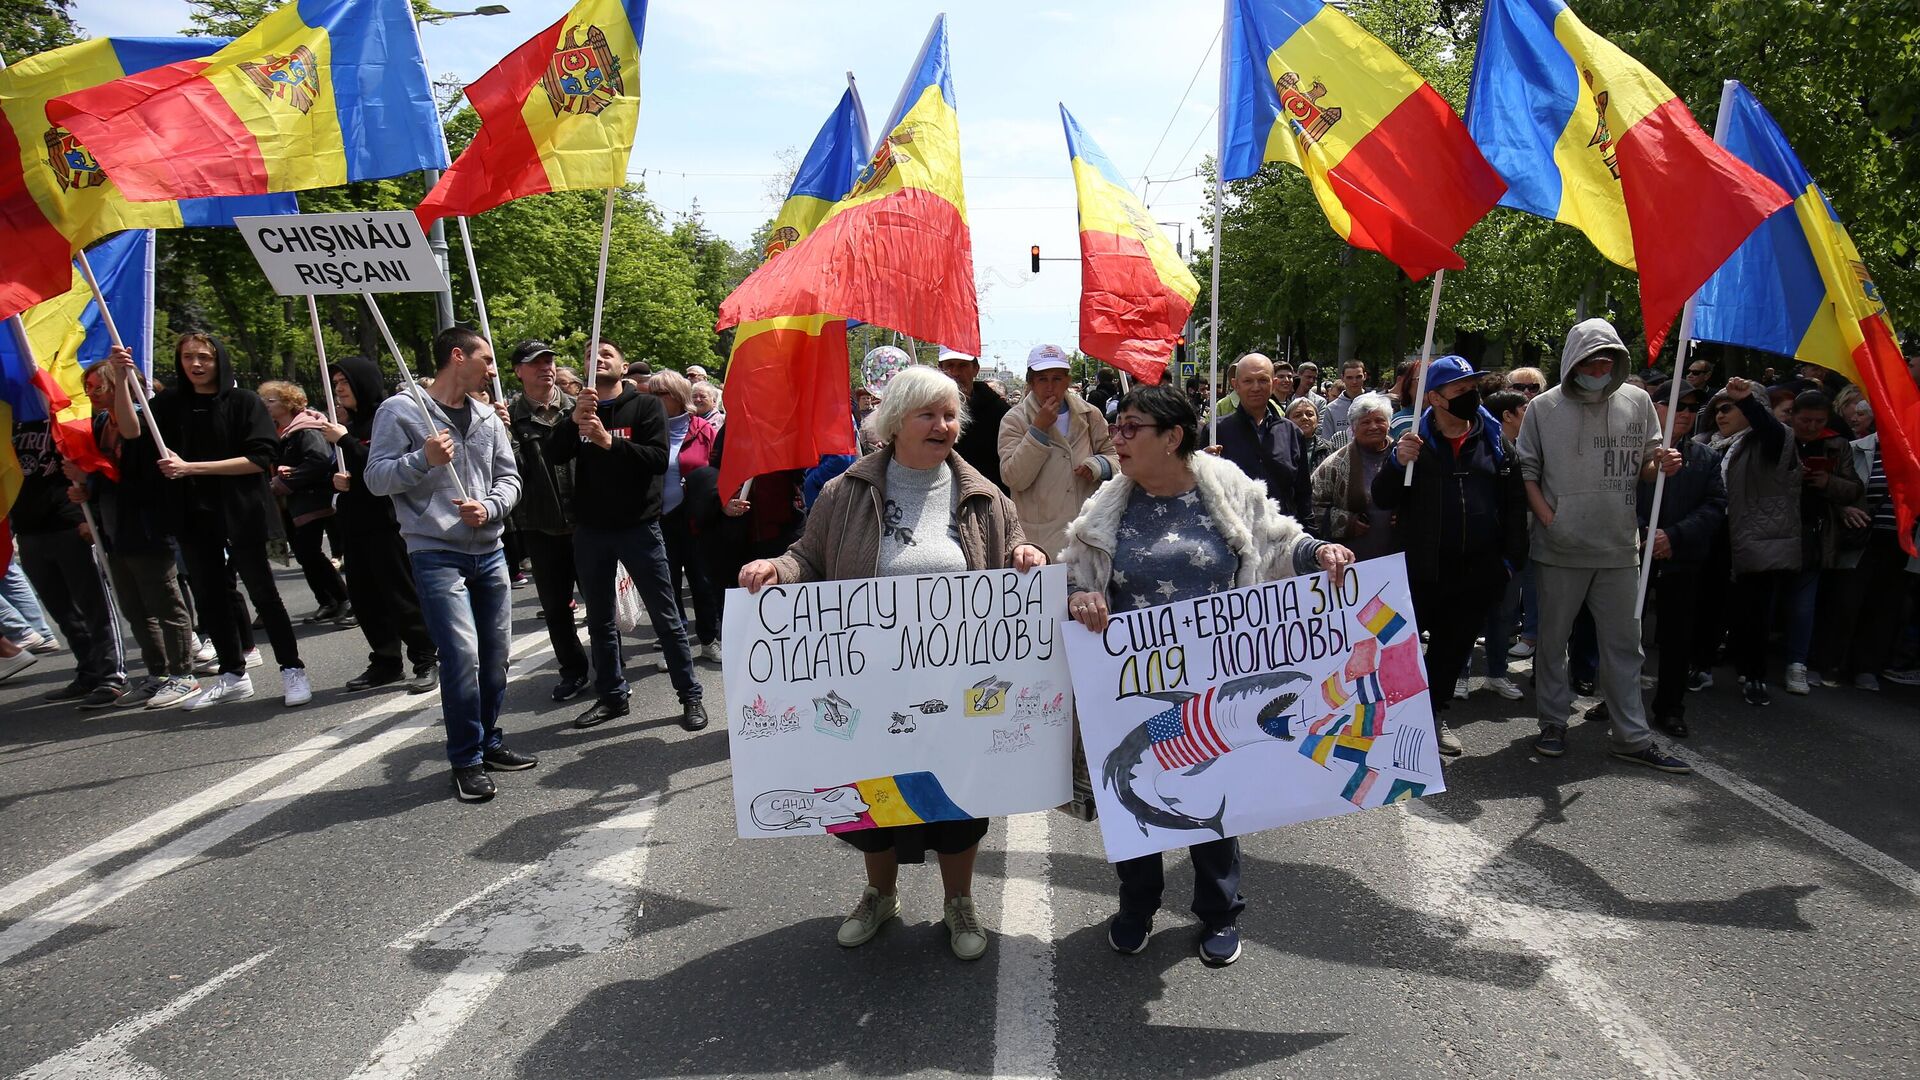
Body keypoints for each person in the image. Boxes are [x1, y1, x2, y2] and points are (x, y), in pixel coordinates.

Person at [739, 366, 1046, 962]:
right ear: (896, 421)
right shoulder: (846, 492)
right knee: (872, 797)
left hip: (957, 685)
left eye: (951, 414)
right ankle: (879, 895)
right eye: (928, 414)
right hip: (869, 685)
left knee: (958, 799)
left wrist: (1026, 553)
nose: (943, 426)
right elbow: (809, 555)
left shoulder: (983, 494)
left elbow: (1012, 553)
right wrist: (777, 569)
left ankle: (959, 902)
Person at [1063, 382, 1354, 967]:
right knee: (1137, 795)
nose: (1116, 439)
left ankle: (1220, 912)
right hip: (1136, 685)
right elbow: (1076, 573)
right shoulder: (1105, 507)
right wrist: (1079, 598)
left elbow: (1279, 542)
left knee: (1214, 795)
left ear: (1173, 437)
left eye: (1130, 429)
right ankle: (1137, 905)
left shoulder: (1228, 490)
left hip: (1219, 678)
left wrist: (1318, 554)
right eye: (1116, 427)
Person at [366, 327, 535, 803]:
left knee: (497, 657)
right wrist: (422, 459)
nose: (494, 368)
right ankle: (465, 759)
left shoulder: (487, 415)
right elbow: (376, 478)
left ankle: (487, 740)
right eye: (486, 358)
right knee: (462, 657)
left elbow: (509, 478)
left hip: (491, 549)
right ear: (457, 356)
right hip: (436, 552)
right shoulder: (400, 411)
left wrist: (492, 507)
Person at [1516, 319, 1690, 773]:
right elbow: (1527, 472)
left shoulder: (1638, 402)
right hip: (1559, 548)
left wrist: (1662, 460)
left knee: (1626, 645)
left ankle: (1630, 736)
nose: (1599, 367)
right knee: (1553, 642)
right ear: (1573, 360)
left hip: (1618, 547)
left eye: (1607, 360)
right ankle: (1553, 722)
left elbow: (1647, 466)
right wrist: (1550, 519)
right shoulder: (1543, 408)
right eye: (1591, 360)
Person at [142, 332, 307, 709]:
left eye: (204, 357)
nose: (196, 364)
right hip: (193, 514)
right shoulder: (168, 405)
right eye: (188, 357)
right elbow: (137, 435)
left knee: (263, 592)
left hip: (240, 510)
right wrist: (121, 380)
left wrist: (191, 468)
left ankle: (292, 669)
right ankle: (233, 674)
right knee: (210, 596)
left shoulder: (244, 402)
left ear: (220, 360)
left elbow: (259, 458)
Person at [550, 340, 708, 733]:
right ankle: (612, 697)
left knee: (666, 617)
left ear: (622, 368)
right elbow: (553, 455)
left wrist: (608, 441)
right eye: (589, 355)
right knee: (601, 620)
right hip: (591, 530)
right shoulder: (578, 410)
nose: (597, 358)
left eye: (606, 354)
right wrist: (574, 424)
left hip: (639, 527)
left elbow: (655, 459)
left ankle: (690, 695)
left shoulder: (645, 405)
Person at [1374, 358, 1530, 753]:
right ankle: (1384, 723)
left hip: (1475, 574)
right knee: (1399, 653)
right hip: (1422, 571)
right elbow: (1382, 496)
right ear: (1435, 398)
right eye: (1460, 390)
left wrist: (1509, 562)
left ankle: (1431, 719)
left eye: (1473, 387)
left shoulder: (1494, 443)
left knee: (1450, 654)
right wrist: (1396, 462)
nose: (1471, 396)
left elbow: (1513, 505)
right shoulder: (1413, 442)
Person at [64, 358, 198, 708]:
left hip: (147, 528)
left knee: (165, 603)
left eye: (99, 386)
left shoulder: (142, 416)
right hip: (115, 531)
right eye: (88, 387)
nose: (91, 393)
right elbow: (104, 475)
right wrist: (84, 489)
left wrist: (122, 378)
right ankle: (157, 674)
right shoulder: (99, 423)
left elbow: (131, 433)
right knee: (135, 609)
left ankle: (183, 674)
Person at [323, 355, 439, 695]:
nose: (340, 389)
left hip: (387, 522)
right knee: (364, 597)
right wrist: (337, 480)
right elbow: (350, 470)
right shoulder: (347, 423)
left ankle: (425, 657)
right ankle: (386, 661)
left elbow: (379, 466)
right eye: (336, 385)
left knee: (400, 593)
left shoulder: (386, 419)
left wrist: (344, 440)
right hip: (355, 522)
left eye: (344, 382)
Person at [1632, 380, 1725, 738]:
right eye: (1676, 405)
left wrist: (1674, 535)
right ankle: (1618, 701)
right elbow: (1620, 497)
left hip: (1682, 559)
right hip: (1636, 554)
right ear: (1655, 407)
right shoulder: (1637, 453)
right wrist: (1645, 532)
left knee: (1677, 639)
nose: (1685, 413)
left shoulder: (1706, 457)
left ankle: (1670, 708)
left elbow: (1715, 505)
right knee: (1626, 634)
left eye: (1691, 407)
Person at [503, 340, 591, 702]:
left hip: (588, 524)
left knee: (601, 606)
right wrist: (503, 433)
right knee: (556, 609)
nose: (546, 367)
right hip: (541, 526)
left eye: (550, 361)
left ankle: (611, 669)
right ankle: (573, 671)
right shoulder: (509, 417)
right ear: (518, 372)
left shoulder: (581, 407)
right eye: (535, 362)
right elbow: (507, 471)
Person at [1703, 378, 1801, 705]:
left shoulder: (1773, 441)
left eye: (1728, 408)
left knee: (1754, 611)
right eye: (1717, 409)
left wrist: (1746, 401)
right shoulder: (1707, 443)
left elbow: (1772, 430)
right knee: (1710, 604)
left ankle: (1754, 674)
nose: (1721, 415)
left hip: (1757, 539)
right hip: (1716, 534)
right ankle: (1700, 666)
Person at [1816, 401, 1917, 689]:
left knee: (1885, 607)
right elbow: (1836, 487)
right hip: (1859, 537)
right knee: (1844, 601)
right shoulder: (1857, 447)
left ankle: (1866, 667)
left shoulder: (1915, 454)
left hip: (1900, 543)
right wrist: (1843, 509)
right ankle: (1828, 662)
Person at [998, 343, 1117, 559]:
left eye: (1057, 378)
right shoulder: (1014, 420)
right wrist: (1038, 429)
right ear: (1031, 383)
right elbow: (1013, 477)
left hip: (1088, 538)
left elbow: (1117, 458)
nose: (1050, 387)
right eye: (1042, 379)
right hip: (1040, 544)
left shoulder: (1090, 415)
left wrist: (1100, 466)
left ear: (1067, 381)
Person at [1781, 390, 1864, 694]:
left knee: (1804, 604)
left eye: (1819, 421)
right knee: (1767, 597)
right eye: (1806, 420)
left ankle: (1797, 663)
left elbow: (1854, 488)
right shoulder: (1781, 438)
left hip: (1814, 533)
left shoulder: (1836, 445)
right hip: (1776, 531)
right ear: (1793, 416)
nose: (1812, 427)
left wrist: (1828, 483)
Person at [259, 380, 354, 627]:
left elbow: (320, 460)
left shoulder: (306, 429)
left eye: (271, 401)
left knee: (309, 552)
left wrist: (286, 480)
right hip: (290, 504)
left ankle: (342, 598)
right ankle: (327, 601)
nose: (266, 406)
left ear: (289, 403)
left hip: (312, 500)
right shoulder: (277, 431)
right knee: (304, 554)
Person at [648, 369, 722, 663]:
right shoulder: (647, 430)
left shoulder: (704, 430)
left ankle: (708, 639)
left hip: (696, 520)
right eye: (650, 394)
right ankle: (674, 645)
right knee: (666, 586)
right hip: (658, 519)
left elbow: (719, 472)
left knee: (702, 582)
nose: (653, 400)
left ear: (679, 397)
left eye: (661, 393)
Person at [1212, 353, 1314, 521]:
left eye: (1262, 380)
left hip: (1282, 534)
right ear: (1235, 385)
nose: (1256, 387)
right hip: (1233, 534)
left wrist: (1311, 538)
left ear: (1273, 384)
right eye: (1248, 381)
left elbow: (1303, 495)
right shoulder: (1217, 432)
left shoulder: (1291, 433)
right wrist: (1204, 465)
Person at [1311, 392, 1397, 560]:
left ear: (1388, 423)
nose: (1373, 426)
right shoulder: (1333, 465)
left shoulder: (1404, 458)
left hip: (1399, 559)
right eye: (1365, 422)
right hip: (1352, 563)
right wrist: (1345, 522)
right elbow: (1311, 506)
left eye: (1379, 420)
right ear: (1354, 427)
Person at [938, 347, 1009, 493]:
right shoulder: (927, 411)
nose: (956, 372)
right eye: (950, 365)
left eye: (963, 365)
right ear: (940, 369)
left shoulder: (1000, 412)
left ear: (976, 369)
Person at [1319, 360, 1368, 449]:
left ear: (1365, 376)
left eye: (1358, 377)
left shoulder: (1375, 404)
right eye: (1349, 377)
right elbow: (1326, 442)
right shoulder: (1331, 408)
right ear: (1342, 378)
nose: (1354, 381)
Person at [1287, 397, 1332, 476]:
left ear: (1317, 420)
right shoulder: (1280, 449)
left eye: (1310, 414)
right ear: (1287, 422)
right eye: (1298, 415)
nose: (1304, 418)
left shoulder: (1329, 449)